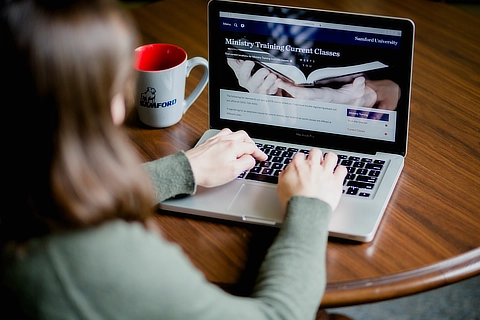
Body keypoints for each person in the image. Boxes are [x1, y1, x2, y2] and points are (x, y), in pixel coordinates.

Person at [0, 0, 346, 319]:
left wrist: (183, 169)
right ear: (100, 108)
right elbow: (279, 316)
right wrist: (310, 205)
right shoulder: (102, 261)